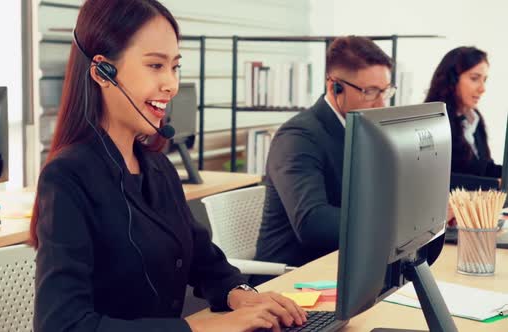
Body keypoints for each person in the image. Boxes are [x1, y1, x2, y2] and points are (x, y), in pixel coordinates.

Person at [29, 0, 308, 331]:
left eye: (174, 67)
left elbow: (203, 259)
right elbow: (61, 324)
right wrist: (201, 330)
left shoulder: (157, 167)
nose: (171, 84)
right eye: (155, 66)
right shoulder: (68, 176)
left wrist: (240, 293)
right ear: (102, 72)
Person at [252, 36, 395, 285]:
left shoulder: (361, 128)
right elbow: (313, 222)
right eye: (370, 91)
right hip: (292, 279)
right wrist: (391, 223)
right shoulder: (298, 136)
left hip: (344, 266)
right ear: (334, 87)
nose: (381, 102)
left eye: (385, 91)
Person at [425, 46, 502, 178]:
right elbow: (444, 180)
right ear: (452, 79)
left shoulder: (475, 119)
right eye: (474, 78)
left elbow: (484, 169)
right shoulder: (432, 124)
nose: (482, 88)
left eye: (484, 80)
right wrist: (494, 183)